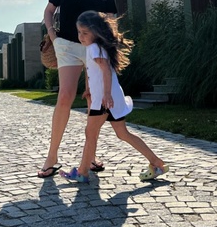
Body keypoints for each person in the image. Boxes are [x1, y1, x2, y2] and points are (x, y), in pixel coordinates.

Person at [38, 0, 117, 179]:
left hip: (94, 48)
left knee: (94, 99)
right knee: (65, 96)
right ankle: (51, 157)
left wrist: (107, 44)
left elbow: (111, 17)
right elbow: (49, 11)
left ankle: (90, 156)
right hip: (68, 45)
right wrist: (53, 36)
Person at [60, 10, 169, 183]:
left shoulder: (94, 48)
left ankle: (82, 172)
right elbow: (95, 72)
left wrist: (105, 94)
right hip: (110, 98)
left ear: (96, 32)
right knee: (122, 134)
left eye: (85, 33)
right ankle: (156, 162)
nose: (81, 36)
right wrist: (90, 90)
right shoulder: (96, 47)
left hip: (104, 100)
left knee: (90, 132)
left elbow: (105, 71)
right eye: (79, 32)